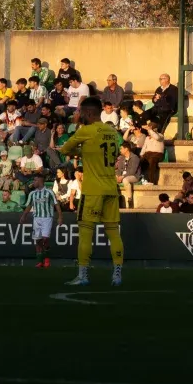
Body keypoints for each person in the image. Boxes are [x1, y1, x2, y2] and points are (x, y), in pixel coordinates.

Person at [57, 97, 125, 287]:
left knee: (86, 233)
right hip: (112, 187)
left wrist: (81, 151)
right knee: (114, 233)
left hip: (93, 189)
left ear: (87, 113)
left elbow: (65, 149)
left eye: (80, 112)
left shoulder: (85, 131)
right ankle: (117, 274)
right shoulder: (112, 131)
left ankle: (83, 275)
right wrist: (87, 151)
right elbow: (112, 153)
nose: (78, 115)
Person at [21, 175, 58, 270]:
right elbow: (29, 206)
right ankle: (39, 261)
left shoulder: (49, 192)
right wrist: (24, 215)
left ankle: (46, 259)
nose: (33, 182)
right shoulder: (33, 193)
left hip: (47, 218)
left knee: (45, 239)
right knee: (38, 240)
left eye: (35, 180)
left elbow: (56, 204)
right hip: (36, 218)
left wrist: (60, 217)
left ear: (40, 180)